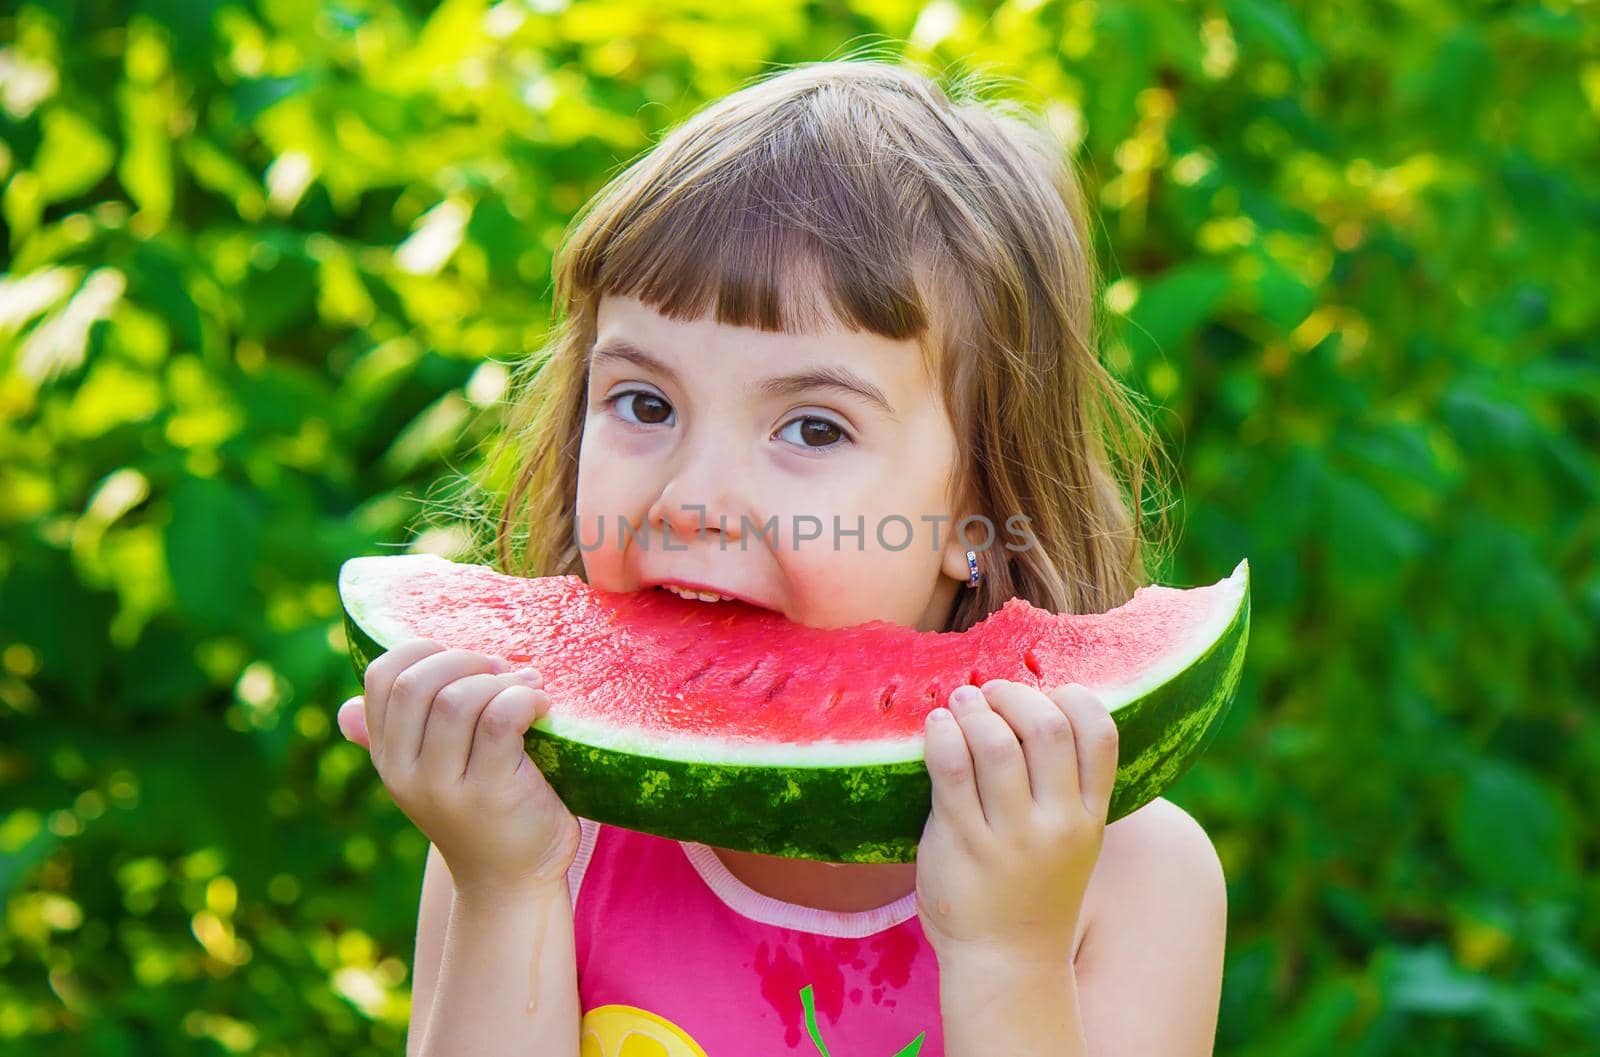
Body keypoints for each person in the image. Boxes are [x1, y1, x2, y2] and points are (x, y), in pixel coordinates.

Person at [338, 55, 1226, 1057]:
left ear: (978, 508)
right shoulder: (526, 821)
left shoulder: (1129, 877)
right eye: (643, 402)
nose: (691, 501)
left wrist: (1009, 954)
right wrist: (505, 889)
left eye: (811, 428)